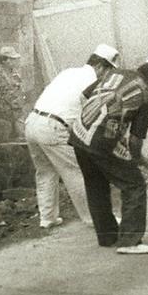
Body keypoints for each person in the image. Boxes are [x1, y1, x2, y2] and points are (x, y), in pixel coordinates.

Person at [68, 50, 148, 255]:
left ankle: (107, 237)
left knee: (96, 185)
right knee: (134, 184)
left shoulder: (116, 73)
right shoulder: (146, 97)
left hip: (79, 135)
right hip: (101, 143)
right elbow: (135, 139)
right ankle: (130, 241)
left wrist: (96, 121)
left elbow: (84, 95)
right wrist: (135, 161)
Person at [25, 44, 119, 229]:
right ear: (100, 66)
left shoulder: (68, 72)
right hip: (53, 126)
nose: (107, 76)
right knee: (78, 171)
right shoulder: (93, 81)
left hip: (32, 123)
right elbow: (88, 116)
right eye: (108, 70)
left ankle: (47, 218)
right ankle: (97, 218)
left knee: (45, 171)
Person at [0, 46, 27, 141]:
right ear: (4, 60)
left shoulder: (16, 76)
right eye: (11, 59)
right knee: (5, 140)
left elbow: (20, 93)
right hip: (3, 115)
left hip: (17, 113)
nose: (14, 62)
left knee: (22, 137)